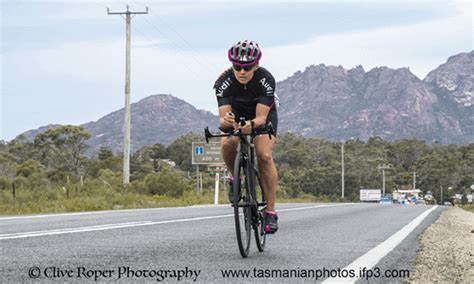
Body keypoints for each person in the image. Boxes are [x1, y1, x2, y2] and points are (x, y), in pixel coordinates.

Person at [213, 40, 279, 234]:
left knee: (264, 155)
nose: (242, 71)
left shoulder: (266, 79)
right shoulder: (223, 83)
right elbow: (223, 119)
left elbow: (260, 119)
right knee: (227, 143)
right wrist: (227, 121)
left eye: (247, 67)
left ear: (256, 65)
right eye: (237, 67)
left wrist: (249, 125)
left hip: (262, 114)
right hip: (237, 113)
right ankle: (236, 177)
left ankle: (271, 212)